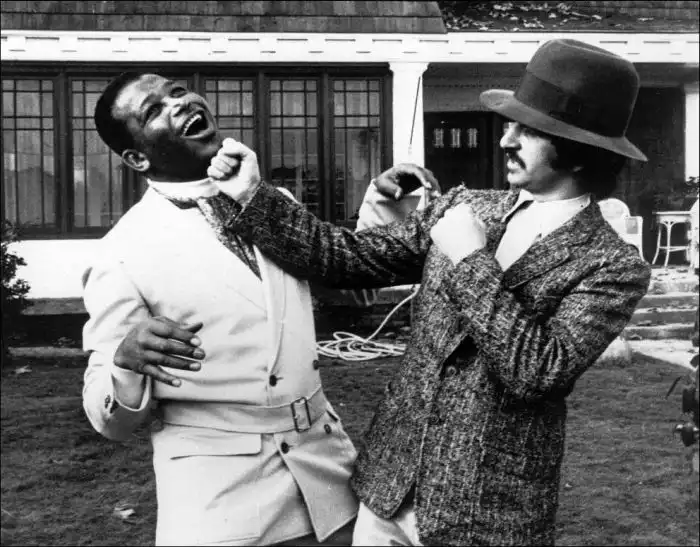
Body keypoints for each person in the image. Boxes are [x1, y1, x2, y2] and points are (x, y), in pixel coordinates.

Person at [207, 39, 653, 546]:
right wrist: (251, 193)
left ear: (578, 150)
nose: (506, 140)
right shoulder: (464, 208)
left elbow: (537, 372)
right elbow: (342, 257)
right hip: (387, 491)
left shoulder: (612, 265)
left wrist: (470, 259)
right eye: (510, 124)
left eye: (527, 130)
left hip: (488, 515)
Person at [80, 71, 421, 546]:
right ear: (136, 157)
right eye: (154, 110)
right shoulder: (122, 253)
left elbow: (350, 290)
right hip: (222, 501)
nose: (179, 103)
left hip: (327, 476)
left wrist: (383, 205)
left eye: (177, 91)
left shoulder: (271, 201)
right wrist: (125, 362)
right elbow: (109, 422)